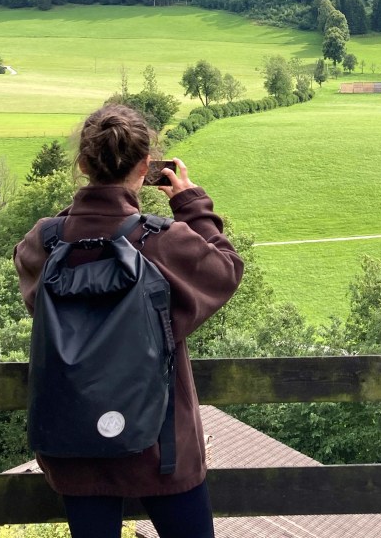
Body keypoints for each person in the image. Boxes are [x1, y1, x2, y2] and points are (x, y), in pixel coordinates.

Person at [14, 104, 244, 538]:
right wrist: (190, 203)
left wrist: (84, 211)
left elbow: (36, 291)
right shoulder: (163, 241)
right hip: (161, 446)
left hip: (74, 443)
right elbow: (226, 269)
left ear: (83, 165)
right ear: (146, 167)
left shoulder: (43, 242)